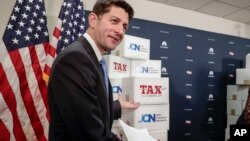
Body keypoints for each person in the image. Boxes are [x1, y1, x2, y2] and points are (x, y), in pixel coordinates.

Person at [47, 0, 140, 140]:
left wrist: (117, 105)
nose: (120, 31)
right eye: (114, 21)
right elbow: (90, 133)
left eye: (124, 26)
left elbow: (86, 109)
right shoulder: (75, 59)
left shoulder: (94, 59)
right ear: (93, 20)